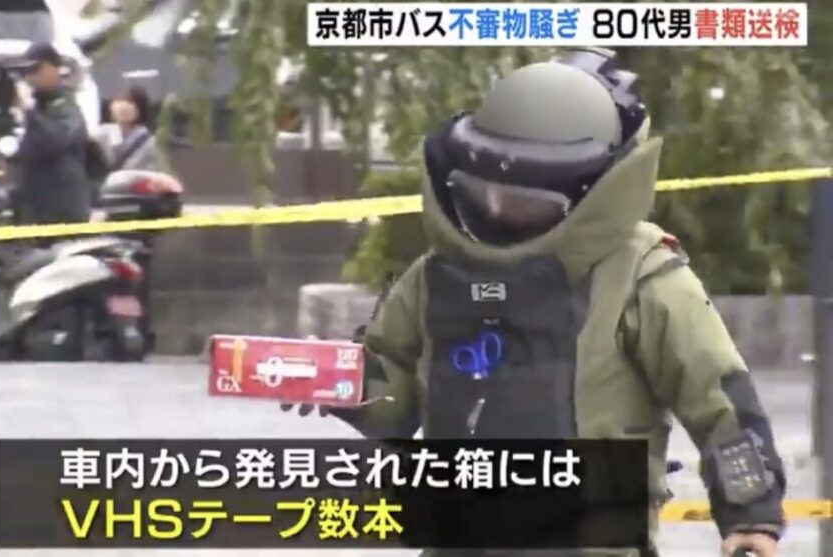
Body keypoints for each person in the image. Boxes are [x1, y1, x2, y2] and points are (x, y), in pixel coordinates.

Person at [282, 49, 785, 557]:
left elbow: (717, 398)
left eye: (523, 202)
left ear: (593, 192)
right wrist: (334, 381)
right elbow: (395, 399)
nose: (497, 210)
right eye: (483, 193)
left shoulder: (641, 277)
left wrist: (752, 516)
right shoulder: (435, 276)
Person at [14, 42, 91, 225]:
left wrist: (27, 111)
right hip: (37, 206)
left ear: (53, 68)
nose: (31, 76)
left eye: (36, 69)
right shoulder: (38, 107)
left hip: (63, 208)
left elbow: (57, 139)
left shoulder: (66, 104)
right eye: (27, 72)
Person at [96, 85, 161, 172]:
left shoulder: (150, 142)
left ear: (139, 109)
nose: (121, 106)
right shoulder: (103, 133)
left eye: (129, 101)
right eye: (118, 101)